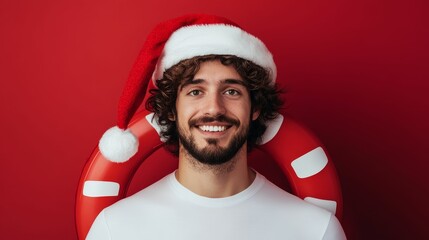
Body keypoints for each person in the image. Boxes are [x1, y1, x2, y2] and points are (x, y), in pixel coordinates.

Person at [88, 14, 347, 240]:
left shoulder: (315, 230)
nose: (214, 108)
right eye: (196, 91)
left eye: (231, 91)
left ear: (255, 107)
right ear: (171, 109)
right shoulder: (116, 229)